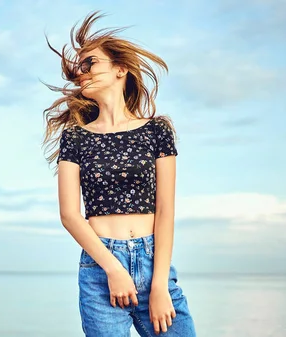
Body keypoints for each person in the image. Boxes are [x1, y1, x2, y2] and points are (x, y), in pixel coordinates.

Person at [42, 11, 197, 336]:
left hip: (153, 261)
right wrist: (113, 268)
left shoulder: (157, 131)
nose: (81, 73)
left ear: (120, 69)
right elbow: (70, 215)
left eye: (90, 64)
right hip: (100, 268)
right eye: (78, 68)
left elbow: (165, 210)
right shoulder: (76, 136)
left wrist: (158, 286)